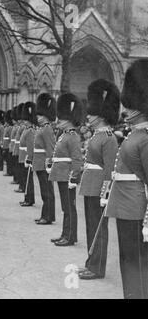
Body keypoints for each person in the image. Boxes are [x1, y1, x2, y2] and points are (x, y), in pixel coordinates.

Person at [106, 59, 148, 299]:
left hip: (135, 207)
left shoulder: (144, 137)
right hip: (125, 203)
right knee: (127, 260)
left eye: (132, 105)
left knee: (135, 261)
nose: (126, 109)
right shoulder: (137, 133)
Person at [77, 79, 120, 280]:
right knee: (91, 226)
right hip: (90, 185)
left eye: (92, 113)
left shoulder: (108, 138)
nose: (88, 116)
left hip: (98, 189)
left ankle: (98, 267)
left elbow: (109, 169)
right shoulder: (97, 135)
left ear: (101, 115)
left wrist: (105, 192)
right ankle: (91, 262)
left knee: (98, 228)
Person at [49, 93, 83, 247]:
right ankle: (65, 234)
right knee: (65, 207)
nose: (58, 121)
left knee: (70, 207)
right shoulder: (64, 135)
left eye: (61, 119)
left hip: (67, 176)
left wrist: (73, 177)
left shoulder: (73, 136)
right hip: (61, 174)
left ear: (69, 120)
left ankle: (70, 237)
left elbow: (77, 160)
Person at [33, 93, 56, 225]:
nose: (38, 117)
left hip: (44, 163)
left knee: (47, 191)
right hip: (39, 162)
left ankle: (47, 216)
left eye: (40, 115)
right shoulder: (43, 128)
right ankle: (46, 214)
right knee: (44, 191)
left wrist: (49, 164)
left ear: (46, 116)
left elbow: (50, 148)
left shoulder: (47, 129)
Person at [18, 102, 36, 207]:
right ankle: (27, 198)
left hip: (26, 157)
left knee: (28, 179)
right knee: (25, 179)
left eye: (25, 120)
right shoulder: (26, 130)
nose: (24, 121)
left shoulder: (30, 131)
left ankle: (29, 199)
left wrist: (29, 159)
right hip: (22, 156)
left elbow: (30, 147)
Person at [3, 110, 13, 177]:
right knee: (7, 159)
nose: (5, 123)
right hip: (6, 145)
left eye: (6, 122)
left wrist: (9, 145)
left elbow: (10, 137)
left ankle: (9, 172)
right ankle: (8, 171)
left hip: (8, 146)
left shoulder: (9, 128)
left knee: (9, 160)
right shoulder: (7, 128)